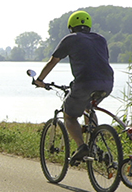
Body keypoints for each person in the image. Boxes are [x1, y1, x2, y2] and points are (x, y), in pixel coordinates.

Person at [31, 11, 114, 164]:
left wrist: (40, 80)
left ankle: (82, 147)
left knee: (70, 116)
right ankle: (93, 143)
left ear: (71, 27)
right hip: (107, 82)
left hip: (85, 83)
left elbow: (53, 61)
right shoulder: (100, 39)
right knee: (89, 108)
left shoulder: (70, 39)